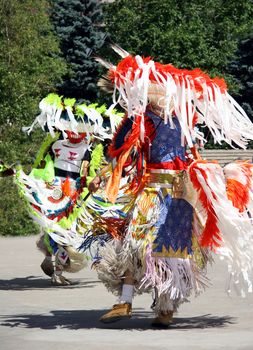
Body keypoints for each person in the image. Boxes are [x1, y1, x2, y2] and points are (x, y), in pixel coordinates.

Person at [89, 47, 253, 326]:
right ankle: (124, 302)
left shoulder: (185, 120)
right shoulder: (142, 119)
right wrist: (105, 174)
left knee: (172, 254)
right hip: (150, 192)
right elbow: (126, 153)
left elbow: (189, 155)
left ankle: (165, 309)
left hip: (178, 194)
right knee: (134, 245)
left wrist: (205, 179)